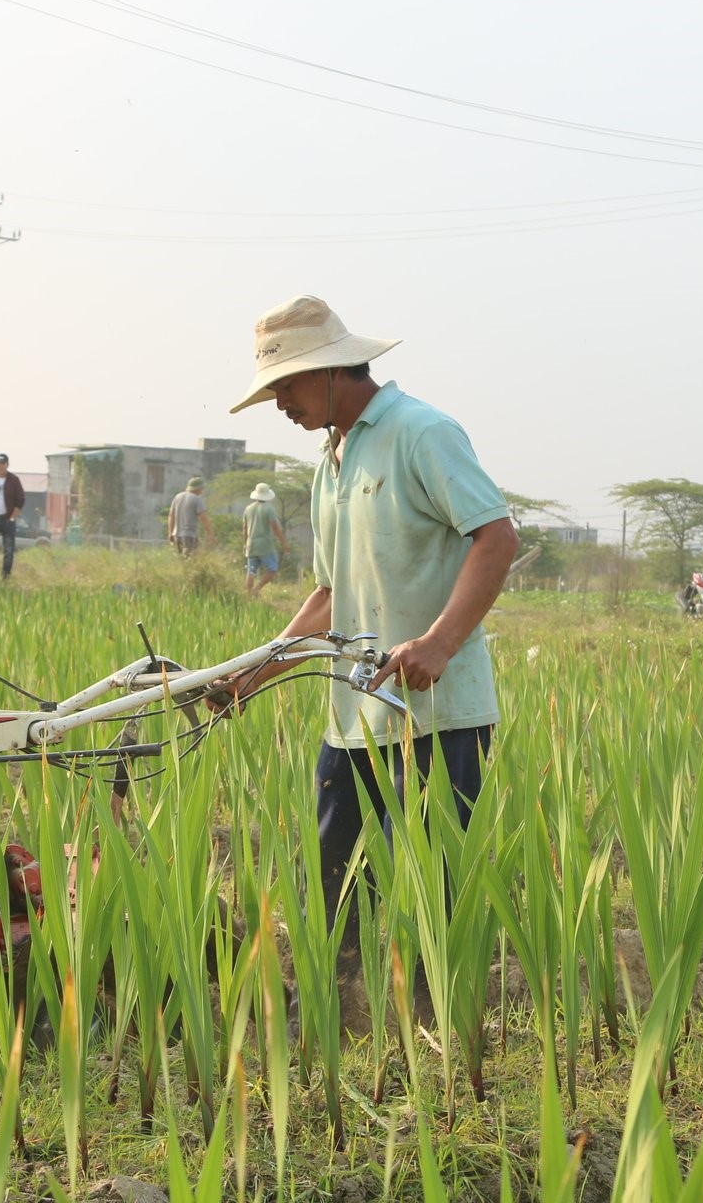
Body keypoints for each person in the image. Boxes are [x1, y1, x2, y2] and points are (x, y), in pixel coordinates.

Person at [215, 295, 519, 934]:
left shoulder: (421, 432)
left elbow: (496, 536)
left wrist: (438, 643)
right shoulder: (333, 458)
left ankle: (430, 1027)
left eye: (286, 384)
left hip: (438, 718)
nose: (280, 403)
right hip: (352, 720)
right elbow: (330, 595)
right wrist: (255, 673)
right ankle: (337, 1021)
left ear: (331, 370)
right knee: (335, 903)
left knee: (431, 906)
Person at [242, 481, 287, 597]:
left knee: (251, 571)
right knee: (272, 569)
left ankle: (248, 595)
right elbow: (275, 527)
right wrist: (284, 543)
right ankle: (256, 589)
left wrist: (244, 544)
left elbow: (245, 528)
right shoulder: (269, 509)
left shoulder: (248, 509)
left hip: (251, 544)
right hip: (265, 545)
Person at [167, 477, 211, 555]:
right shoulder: (197, 499)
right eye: (201, 489)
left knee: (180, 560)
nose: (202, 491)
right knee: (190, 560)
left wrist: (170, 533)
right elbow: (203, 517)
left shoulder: (177, 497)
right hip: (189, 535)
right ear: (198, 488)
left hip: (177, 535)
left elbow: (171, 516)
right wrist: (210, 534)